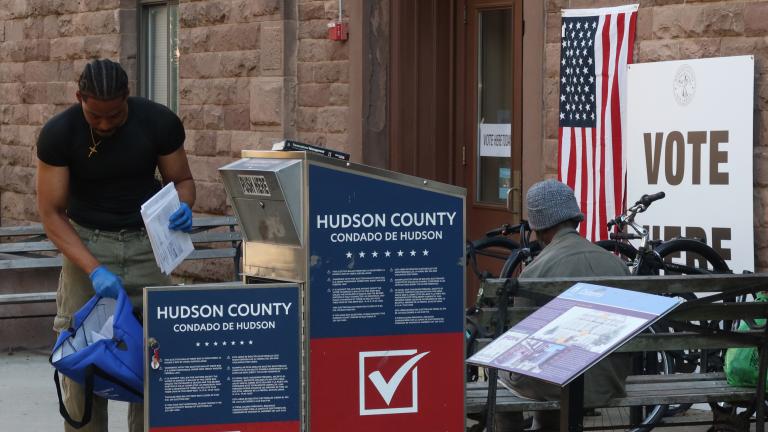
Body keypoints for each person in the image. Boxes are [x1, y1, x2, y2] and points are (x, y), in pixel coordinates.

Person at [36, 58, 195, 432]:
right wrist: (93, 268)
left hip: (148, 246)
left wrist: (184, 206)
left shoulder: (158, 122)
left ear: (128, 98)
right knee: (83, 361)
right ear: (79, 99)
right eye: (96, 117)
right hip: (86, 247)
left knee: (155, 356)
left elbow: (183, 180)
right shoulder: (58, 134)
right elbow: (52, 214)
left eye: (115, 115)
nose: (105, 124)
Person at [495, 179, 631, 432]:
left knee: (500, 373)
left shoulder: (534, 272)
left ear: (538, 226)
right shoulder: (616, 264)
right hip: (608, 381)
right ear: (575, 218)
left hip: (559, 383)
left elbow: (521, 345)